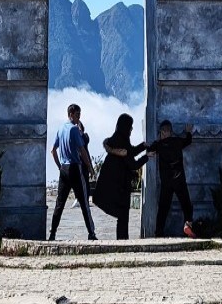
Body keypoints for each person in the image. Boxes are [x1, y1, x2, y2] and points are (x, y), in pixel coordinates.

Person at [92, 113, 148, 240]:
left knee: (122, 216)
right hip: (120, 185)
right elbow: (133, 164)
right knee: (123, 215)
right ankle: (123, 241)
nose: (131, 129)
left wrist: (142, 146)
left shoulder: (115, 139)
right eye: (130, 127)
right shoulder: (121, 142)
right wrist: (147, 157)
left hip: (115, 183)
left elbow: (130, 151)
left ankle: (122, 240)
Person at [49, 103, 98, 241]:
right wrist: (89, 167)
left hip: (63, 169)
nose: (79, 117)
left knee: (60, 203)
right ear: (71, 114)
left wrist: (59, 166)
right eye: (77, 114)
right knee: (84, 201)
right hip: (75, 168)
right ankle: (91, 233)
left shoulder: (60, 129)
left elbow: (53, 150)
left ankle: (52, 233)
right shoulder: (74, 130)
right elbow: (82, 150)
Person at [148, 120, 197, 238]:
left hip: (166, 182)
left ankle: (159, 232)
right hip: (179, 179)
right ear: (170, 131)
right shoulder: (177, 141)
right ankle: (187, 224)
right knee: (186, 204)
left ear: (162, 132)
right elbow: (188, 140)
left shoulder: (159, 145)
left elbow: (150, 150)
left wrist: (157, 142)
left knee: (163, 208)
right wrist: (188, 132)